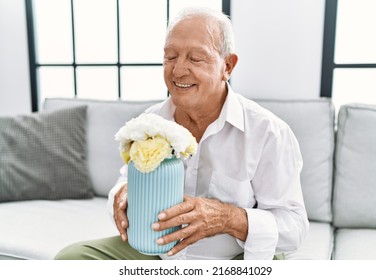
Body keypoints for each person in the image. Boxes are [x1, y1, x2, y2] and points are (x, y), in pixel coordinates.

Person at [55, 7, 309, 260]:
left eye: (195, 58)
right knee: (71, 260)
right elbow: (124, 182)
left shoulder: (269, 132)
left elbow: (294, 228)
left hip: (236, 258)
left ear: (228, 66)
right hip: (159, 254)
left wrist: (227, 218)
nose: (177, 71)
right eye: (170, 57)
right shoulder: (150, 123)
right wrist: (123, 196)